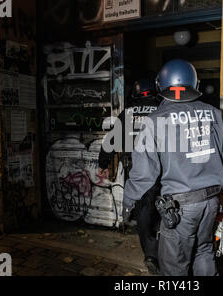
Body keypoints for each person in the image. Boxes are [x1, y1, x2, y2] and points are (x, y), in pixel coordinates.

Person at [123, 59, 223, 276]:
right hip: (211, 202)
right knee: (203, 251)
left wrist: (128, 201)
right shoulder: (212, 113)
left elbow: (144, 173)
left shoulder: (155, 120)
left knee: (173, 266)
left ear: (162, 84)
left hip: (180, 208)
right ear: (194, 82)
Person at [97, 79, 161, 274]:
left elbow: (110, 141)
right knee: (164, 211)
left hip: (137, 172)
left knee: (143, 213)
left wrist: (103, 163)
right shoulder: (163, 109)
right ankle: (165, 249)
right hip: (164, 172)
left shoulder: (128, 113)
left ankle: (151, 253)